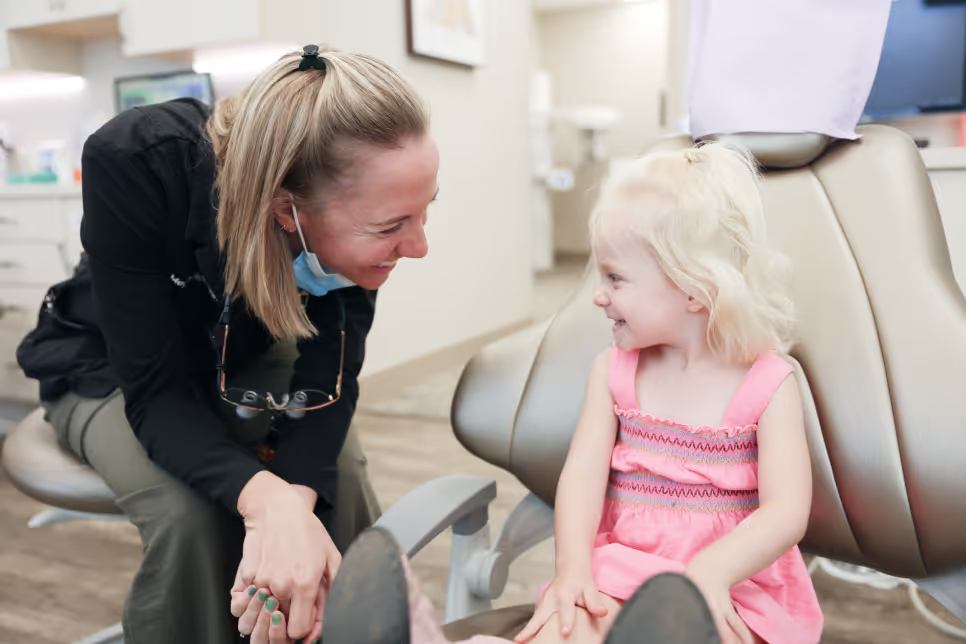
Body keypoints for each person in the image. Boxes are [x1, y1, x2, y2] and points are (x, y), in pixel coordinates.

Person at [309, 142, 822, 644]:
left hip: (729, 588)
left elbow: (786, 511)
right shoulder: (614, 372)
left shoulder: (769, 384)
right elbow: (581, 476)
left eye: (616, 278)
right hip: (622, 572)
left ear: (694, 286)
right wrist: (574, 567)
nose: (599, 296)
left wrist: (712, 571)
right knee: (568, 626)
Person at [20, 45, 439, 644]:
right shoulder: (139, 160)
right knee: (189, 513)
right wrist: (265, 503)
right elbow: (157, 391)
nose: (418, 246)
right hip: (111, 364)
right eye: (391, 227)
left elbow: (329, 380)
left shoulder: (356, 225)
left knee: (334, 473)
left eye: (424, 213)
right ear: (285, 210)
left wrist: (294, 499)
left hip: (242, 348)